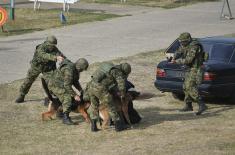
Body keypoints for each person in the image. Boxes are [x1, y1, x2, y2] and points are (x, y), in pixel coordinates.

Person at [15, 35, 65, 103]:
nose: (52, 46)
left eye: (53, 45)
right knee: (28, 81)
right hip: (36, 67)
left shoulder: (54, 49)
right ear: (47, 43)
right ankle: (22, 95)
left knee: (53, 82)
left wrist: (66, 61)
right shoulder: (41, 48)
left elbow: (61, 55)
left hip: (48, 68)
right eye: (51, 45)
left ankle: (53, 98)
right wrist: (55, 58)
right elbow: (44, 55)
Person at [87, 62, 131, 132]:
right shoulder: (117, 72)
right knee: (111, 105)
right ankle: (118, 126)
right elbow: (121, 85)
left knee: (94, 105)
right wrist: (122, 94)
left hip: (90, 86)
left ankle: (93, 126)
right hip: (99, 88)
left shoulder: (108, 66)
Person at [171, 32, 208, 115]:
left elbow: (189, 60)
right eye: (181, 42)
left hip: (196, 68)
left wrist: (176, 61)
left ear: (188, 40)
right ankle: (188, 105)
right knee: (185, 87)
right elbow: (179, 51)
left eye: (183, 42)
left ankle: (202, 104)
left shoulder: (194, 46)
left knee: (190, 86)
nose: (182, 43)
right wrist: (174, 56)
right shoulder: (185, 44)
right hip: (189, 68)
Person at [47, 58, 89, 125]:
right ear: (79, 67)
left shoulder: (75, 70)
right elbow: (67, 85)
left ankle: (60, 113)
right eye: (82, 69)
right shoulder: (69, 70)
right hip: (55, 85)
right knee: (67, 97)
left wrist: (81, 90)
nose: (82, 71)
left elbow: (75, 81)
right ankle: (65, 118)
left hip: (61, 85)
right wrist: (75, 95)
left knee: (66, 96)